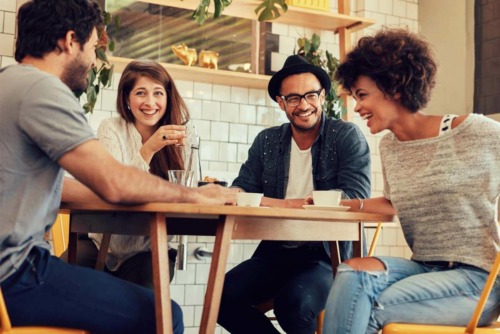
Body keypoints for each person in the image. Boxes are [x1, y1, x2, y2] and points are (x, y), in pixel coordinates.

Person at [0, 1, 234, 333]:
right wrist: (194, 196)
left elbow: (52, 184)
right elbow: (115, 182)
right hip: (17, 274)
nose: (94, 61)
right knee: (165, 315)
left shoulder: (8, 83)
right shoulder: (43, 90)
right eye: (93, 47)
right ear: (69, 41)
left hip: (10, 276)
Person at [322, 28, 500, 333]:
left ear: (395, 87)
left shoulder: (476, 132)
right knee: (352, 273)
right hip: (424, 267)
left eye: (362, 95)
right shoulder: (390, 147)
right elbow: (392, 203)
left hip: (479, 280)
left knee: (372, 306)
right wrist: (334, 205)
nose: (357, 106)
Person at [217, 54, 371, 333]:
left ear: (323, 96)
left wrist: (292, 204)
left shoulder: (346, 136)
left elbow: (355, 194)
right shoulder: (267, 141)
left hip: (326, 255)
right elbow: (243, 189)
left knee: (294, 305)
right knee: (218, 298)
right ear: (281, 102)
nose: (303, 105)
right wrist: (226, 193)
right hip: (275, 252)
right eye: (293, 98)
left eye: (310, 95)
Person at [66, 59, 194, 287]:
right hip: (100, 242)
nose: (150, 102)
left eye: (158, 93)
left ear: (167, 97)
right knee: (55, 284)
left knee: (145, 303)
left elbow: (186, 191)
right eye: (141, 93)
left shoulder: (181, 137)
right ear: (127, 98)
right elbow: (114, 186)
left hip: (148, 249)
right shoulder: (111, 128)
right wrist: (148, 149)